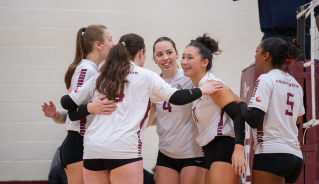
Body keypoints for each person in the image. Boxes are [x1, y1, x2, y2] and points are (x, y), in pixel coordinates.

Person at [60, 33, 223, 184]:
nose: (165, 58)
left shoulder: (101, 75)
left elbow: (67, 103)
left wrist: (89, 107)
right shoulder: (147, 76)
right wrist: (203, 90)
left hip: (93, 149)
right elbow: (178, 98)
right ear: (142, 53)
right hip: (123, 148)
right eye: (159, 54)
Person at [234, 37, 304, 184]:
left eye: (257, 51)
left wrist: (240, 103)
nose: (255, 56)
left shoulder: (266, 79)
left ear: (265, 56)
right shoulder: (296, 85)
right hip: (295, 157)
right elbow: (297, 122)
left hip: (271, 154)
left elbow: (254, 119)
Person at [181, 34, 247, 184]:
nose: (184, 62)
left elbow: (237, 116)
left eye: (190, 58)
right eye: (183, 57)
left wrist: (239, 149)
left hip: (224, 147)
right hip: (210, 150)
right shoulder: (200, 87)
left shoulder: (213, 84)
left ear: (204, 62)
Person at [56, 25, 114, 184]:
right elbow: (72, 108)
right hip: (77, 143)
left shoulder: (92, 69)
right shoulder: (86, 69)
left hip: (84, 143)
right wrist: (91, 108)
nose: (113, 44)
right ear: (98, 44)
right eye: (110, 39)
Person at [151, 37, 206, 184]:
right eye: (160, 54)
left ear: (176, 54)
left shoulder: (190, 78)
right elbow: (154, 118)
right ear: (154, 59)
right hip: (166, 153)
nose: (165, 58)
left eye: (169, 52)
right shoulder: (153, 82)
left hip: (193, 153)